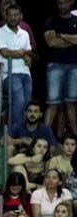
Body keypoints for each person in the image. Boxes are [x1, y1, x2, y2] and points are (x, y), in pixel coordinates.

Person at [0, 4, 32, 131]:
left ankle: (23, 131)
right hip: (9, 73)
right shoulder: (0, 32)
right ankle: (15, 132)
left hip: (26, 73)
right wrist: (21, 54)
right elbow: (4, 52)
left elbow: (28, 53)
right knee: (19, 101)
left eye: (16, 15)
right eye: (10, 15)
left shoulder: (25, 33)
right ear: (5, 16)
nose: (13, 18)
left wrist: (24, 55)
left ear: (20, 16)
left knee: (26, 104)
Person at [44, 0, 77, 137]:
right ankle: (43, 137)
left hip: (74, 65)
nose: (62, 6)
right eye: (59, 3)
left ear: (71, 3)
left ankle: (74, 136)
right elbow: (51, 42)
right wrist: (72, 40)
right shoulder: (51, 21)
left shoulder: (76, 20)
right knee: (53, 102)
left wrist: (62, 35)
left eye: (64, 3)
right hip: (55, 65)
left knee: (72, 102)